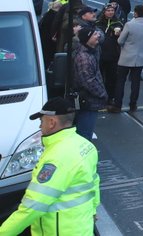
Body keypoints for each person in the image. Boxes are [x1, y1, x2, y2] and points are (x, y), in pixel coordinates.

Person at [0, 98, 100, 234]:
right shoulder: (85, 145)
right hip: (81, 227)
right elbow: (94, 183)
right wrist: (93, 211)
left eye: (41, 122)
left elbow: (32, 207)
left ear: (52, 122)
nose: (40, 127)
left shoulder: (57, 158)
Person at [109, 4, 143, 113]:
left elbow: (120, 41)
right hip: (140, 57)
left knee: (120, 81)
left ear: (135, 13)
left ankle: (117, 104)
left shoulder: (129, 25)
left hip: (126, 56)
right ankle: (133, 104)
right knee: (135, 82)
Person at [72, 26, 107, 141]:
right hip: (88, 101)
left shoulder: (89, 52)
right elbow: (88, 81)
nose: (98, 36)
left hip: (89, 100)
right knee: (84, 135)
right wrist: (102, 94)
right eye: (94, 34)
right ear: (87, 39)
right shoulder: (84, 58)